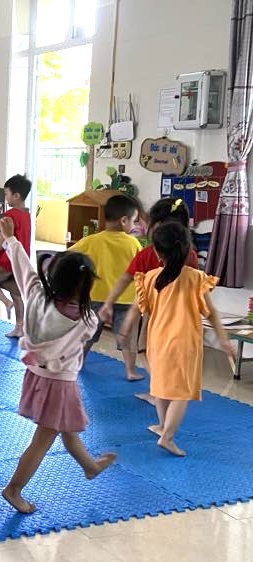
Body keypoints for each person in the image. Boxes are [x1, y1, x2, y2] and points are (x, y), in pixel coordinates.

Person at [0, 217, 117, 514]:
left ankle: (90, 467)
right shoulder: (87, 320)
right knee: (43, 440)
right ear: (85, 287)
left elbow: (22, 268)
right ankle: (13, 489)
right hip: (60, 382)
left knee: (67, 429)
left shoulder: (36, 295)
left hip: (36, 376)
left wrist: (10, 239)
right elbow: (81, 340)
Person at [120, 222, 234, 457]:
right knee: (182, 393)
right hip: (184, 343)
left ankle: (163, 426)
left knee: (161, 387)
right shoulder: (195, 278)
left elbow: (137, 310)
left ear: (157, 252)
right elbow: (211, 313)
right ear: (186, 249)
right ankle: (168, 436)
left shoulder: (150, 278)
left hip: (157, 341)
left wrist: (125, 330)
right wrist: (223, 339)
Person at [99, 198, 198, 397]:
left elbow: (126, 281)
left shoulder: (148, 254)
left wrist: (110, 304)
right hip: (179, 317)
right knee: (164, 355)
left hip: (157, 317)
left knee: (148, 352)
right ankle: (164, 391)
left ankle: (160, 392)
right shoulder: (190, 255)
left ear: (158, 227)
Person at [69, 194, 142, 377]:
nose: (134, 225)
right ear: (124, 220)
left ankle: (78, 363)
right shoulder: (133, 243)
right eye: (133, 221)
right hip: (125, 298)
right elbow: (141, 269)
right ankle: (130, 371)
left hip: (96, 296)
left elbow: (67, 256)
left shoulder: (91, 240)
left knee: (89, 333)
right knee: (127, 337)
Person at [0, 174, 32, 338]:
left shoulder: (9, 214)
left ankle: (6, 302)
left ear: (16, 195)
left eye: (7, 194)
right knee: (17, 293)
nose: (5, 197)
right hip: (21, 259)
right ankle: (20, 327)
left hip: (7, 259)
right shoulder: (26, 214)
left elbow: (5, 236)